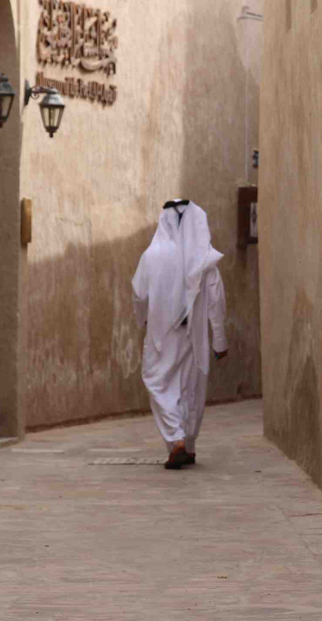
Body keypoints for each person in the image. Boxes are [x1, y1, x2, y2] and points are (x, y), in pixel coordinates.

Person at [132, 200, 228, 469]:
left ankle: (177, 441)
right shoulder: (205, 259)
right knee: (190, 388)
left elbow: (139, 295)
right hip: (194, 337)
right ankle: (188, 443)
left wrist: (143, 319)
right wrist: (220, 340)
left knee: (160, 383)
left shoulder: (151, 258)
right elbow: (215, 302)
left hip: (161, 335)